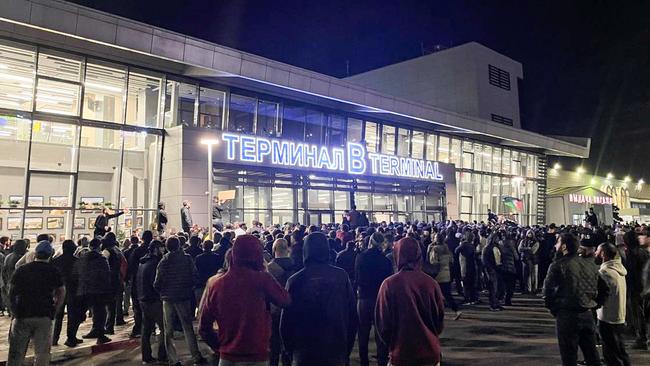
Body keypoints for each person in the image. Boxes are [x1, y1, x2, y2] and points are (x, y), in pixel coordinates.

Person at [199, 234, 291, 365]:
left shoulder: (216, 284)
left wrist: (221, 347)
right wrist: (265, 271)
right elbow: (285, 300)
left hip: (227, 356)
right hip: (256, 354)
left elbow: (204, 327)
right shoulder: (262, 279)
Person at [280, 232, 357, 366]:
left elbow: (286, 322)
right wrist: (346, 348)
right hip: (335, 348)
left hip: (304, 351)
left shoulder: (295, 280)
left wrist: (290, 351)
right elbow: (352, 316)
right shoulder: (341, 276)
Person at [375, 237, 445, 366]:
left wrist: (393, 344)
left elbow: (383, 324)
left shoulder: (389, 285)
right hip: (429, 352)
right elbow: (439, 320)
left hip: (401, 353)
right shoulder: (431, 283)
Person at [543, 232, 608, 366]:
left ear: (564, 246)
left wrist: (554, 309)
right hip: (587, 313)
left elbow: (547, 292)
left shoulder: (558, 265)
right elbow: (604, 289)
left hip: (567, 315)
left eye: (558, 243)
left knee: (569, 356)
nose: (556, 245)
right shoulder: (590, 264)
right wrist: (595, 304)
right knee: (592, 355)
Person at [7, 240, 65, 366]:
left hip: (22, 315)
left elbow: (11, 292)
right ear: (50, 255)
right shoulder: (53, 271)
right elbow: (61, 292)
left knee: (16, 354)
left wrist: (14, 310)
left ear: (35, 254)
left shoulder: (22, 270)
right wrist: (55, 310)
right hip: (44, 315)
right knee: (42, 354)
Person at [154, 236, 206, 366]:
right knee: (187, 327)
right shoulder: (187, 259)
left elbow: (157, 282)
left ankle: (173, 359)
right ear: (179, 245)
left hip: (167, 297)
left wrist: (163, 292)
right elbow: (195, 276)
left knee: (168, 330)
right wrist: (189, 288)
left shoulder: (164, 261)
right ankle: (196, 355)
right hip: (183, 296)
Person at [355, 232, 392, 366]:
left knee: (363, 332)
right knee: (380, 332)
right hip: (380, 299)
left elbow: (357, 278)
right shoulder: (385, 260)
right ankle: (382, 360)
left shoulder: (360, 257)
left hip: (364, 298)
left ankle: (364, 360)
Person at [595, 242, 630, 366]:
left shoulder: (605, 272)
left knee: (612, 353)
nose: (595, 253)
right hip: (618, 314)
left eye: (597, 251)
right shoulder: (618, 269)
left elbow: (600, 293)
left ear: (603, 254)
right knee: (619, 349)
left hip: (608, 316)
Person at [137, 241, 167, 364]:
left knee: (146, 329)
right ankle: (162, 355)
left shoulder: (142, 263)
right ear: (155, 249)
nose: (163, 250)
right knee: (164, 328)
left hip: (143, 299)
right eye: (161, 248)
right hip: (154, 299)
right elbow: (156, 283)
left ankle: (146, 356)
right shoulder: (155, 264)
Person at [77, 238, 112, 344]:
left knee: (81, 313)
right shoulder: (101, 259)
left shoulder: (83, 258)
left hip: (86, 289)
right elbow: (106, 275)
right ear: (99, 247)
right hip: (99, 290)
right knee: (100, 313)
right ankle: (100, 335)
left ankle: (72, 335)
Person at [267, 238, 294, 366]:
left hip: (273, 310)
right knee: (289, 343)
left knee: (273, 344)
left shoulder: (269, 268)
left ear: (274, 250)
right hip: (291, 309)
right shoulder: (296, 266)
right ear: (287, 249)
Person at [52, 240, 82, 347]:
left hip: (58, 290)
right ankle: (71, 337)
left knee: (58, 315)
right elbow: (80, 276)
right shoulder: (77, 261)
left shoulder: (55, 261)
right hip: (73, 290)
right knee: (72, 315)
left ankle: (54, 338)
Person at [430, 233, 462, 317]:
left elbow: (433, 262)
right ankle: (456, 310)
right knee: (447, 294)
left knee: (434, 295)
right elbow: (451, 260)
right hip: (446, 273)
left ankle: (436, 313)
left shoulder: (435, 249)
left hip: (437, 275)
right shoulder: (446, 248)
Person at [102, 232, 127, 333]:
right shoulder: (117, 251)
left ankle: (106, 326)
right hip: (117, 279)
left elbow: (103, 263)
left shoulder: (107, 251)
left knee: (106, 305)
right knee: (113, 305)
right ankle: (110, 326)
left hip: (109, 281)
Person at [2, 239, 28, 317]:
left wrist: (5, 283)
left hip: (9, 283)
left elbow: (4, 272)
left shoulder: (8, 257)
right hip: (22, 286)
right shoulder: (23, 257)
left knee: (13, 306)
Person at [194, 240, 220, 307]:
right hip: (213, 284)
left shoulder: (198, 258)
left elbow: (195, 271)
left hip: (201, 283)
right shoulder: (217, 257)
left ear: (203, 246)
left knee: (200, 306)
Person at [518, 229, 540, 294]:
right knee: (526, 275)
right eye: (528, 233)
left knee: (534, 275)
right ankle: (527, 289)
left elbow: (533, 251)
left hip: (533, 260)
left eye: (530, 233)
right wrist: (527, 248)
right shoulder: (523, 241)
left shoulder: (536, 242)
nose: (529, 234)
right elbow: (519, 249)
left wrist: (524, 249)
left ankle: (534, 289)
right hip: (525, 260)